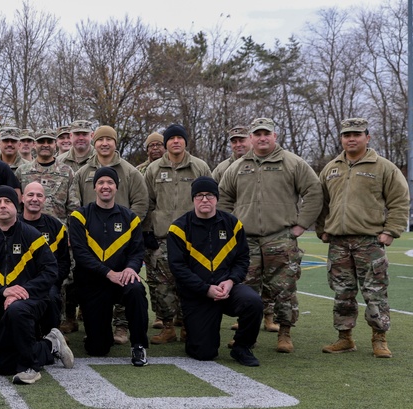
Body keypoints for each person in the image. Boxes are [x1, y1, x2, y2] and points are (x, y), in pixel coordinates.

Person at [218, 117, 322, 353]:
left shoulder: (293, 163)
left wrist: (301, 225)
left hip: (280, 237)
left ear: (275, 136)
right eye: (258, 134)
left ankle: (285, 334)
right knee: (245, 290)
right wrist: (229, 229)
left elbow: (313, 192)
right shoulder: (237, 167)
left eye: (267, 133)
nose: (262, 138)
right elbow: (224, 197)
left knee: (284, 289)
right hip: (246, 241)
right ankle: (247, 336)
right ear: (251, 138)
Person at [315, 118, 409, 358]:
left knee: (375, 291)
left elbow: (399, 201)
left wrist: (391, 230)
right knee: (342, 292)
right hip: (338, 242)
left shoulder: (383, 167)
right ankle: (344, 338)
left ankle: (379, 338)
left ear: (367, 137)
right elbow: (320, 202)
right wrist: (322, 228)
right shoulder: (331, 168)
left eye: (357, 134)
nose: (351, 139)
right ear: (341, 139)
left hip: (370, 241)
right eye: (347, 135)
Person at [0, 186, 73, 385]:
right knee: (3, 366)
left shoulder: (32, 235)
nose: (2, 206)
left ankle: (31, 368)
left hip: (32, 300)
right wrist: (3, 291)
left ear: (16, 206)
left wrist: (23, 291)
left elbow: (51, 270)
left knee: (17, 309)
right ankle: (50, 344)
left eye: (7, 202)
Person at [169, 176, 262, 366]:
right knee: (203, 353)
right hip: (198, 294)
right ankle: (196, 332)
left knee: (253, 302)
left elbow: (242, 259)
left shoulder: (233, 224)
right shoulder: (179, 228)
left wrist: (230, 282)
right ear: (193, 198)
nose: (205, 200)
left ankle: (242, 347)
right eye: (200, 195)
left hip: (227, 288)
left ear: (217, 198)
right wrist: (205, 289)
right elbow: (178, 268)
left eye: (210, 195)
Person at [69, 168, 149, 366]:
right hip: (93, 283)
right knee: (97, 349)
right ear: (94, 187)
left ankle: (139, 346)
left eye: (110, 183)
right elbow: (80, 254)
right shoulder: (80, 216)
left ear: (116, 187)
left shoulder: (130, 218)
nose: (106, 186)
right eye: (101, 182)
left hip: (121, 279)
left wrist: (130, 269)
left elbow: (137, 251)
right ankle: (96, 333)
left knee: (137, 289)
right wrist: (108, 273)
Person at [144, 124, 211, 344]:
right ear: (166, 143)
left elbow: (210, 199)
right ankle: (167, 327)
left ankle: (187, 326)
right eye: (171, 138)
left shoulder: (199, 167)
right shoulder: (154, 169)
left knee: (191, 283)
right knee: (162, 284)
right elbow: (148, 202)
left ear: (185, 141)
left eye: (179, 138)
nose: (175, 142)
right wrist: (148, 231)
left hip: (192, 238)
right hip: (163, 237)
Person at [20, 182, 72, 328]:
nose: (34, 199)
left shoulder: (56, 227)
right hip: (17, 283)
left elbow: (64, 263)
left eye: (39, 195)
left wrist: (49, 281)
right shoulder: (12, 224)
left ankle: (52, 335)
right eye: (30, 195)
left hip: (47, 283)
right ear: (22, 198)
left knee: (51, 296)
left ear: (45, 200)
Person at [14, 128, 74, 222]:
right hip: (28, 230)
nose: (45, 145)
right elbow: (17, 206)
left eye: (49, 142)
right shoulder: (22, 171)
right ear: (34, 144)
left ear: (55, 144)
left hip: (58, 230)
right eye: (41, 141)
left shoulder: (67, 172)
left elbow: (73, 206)